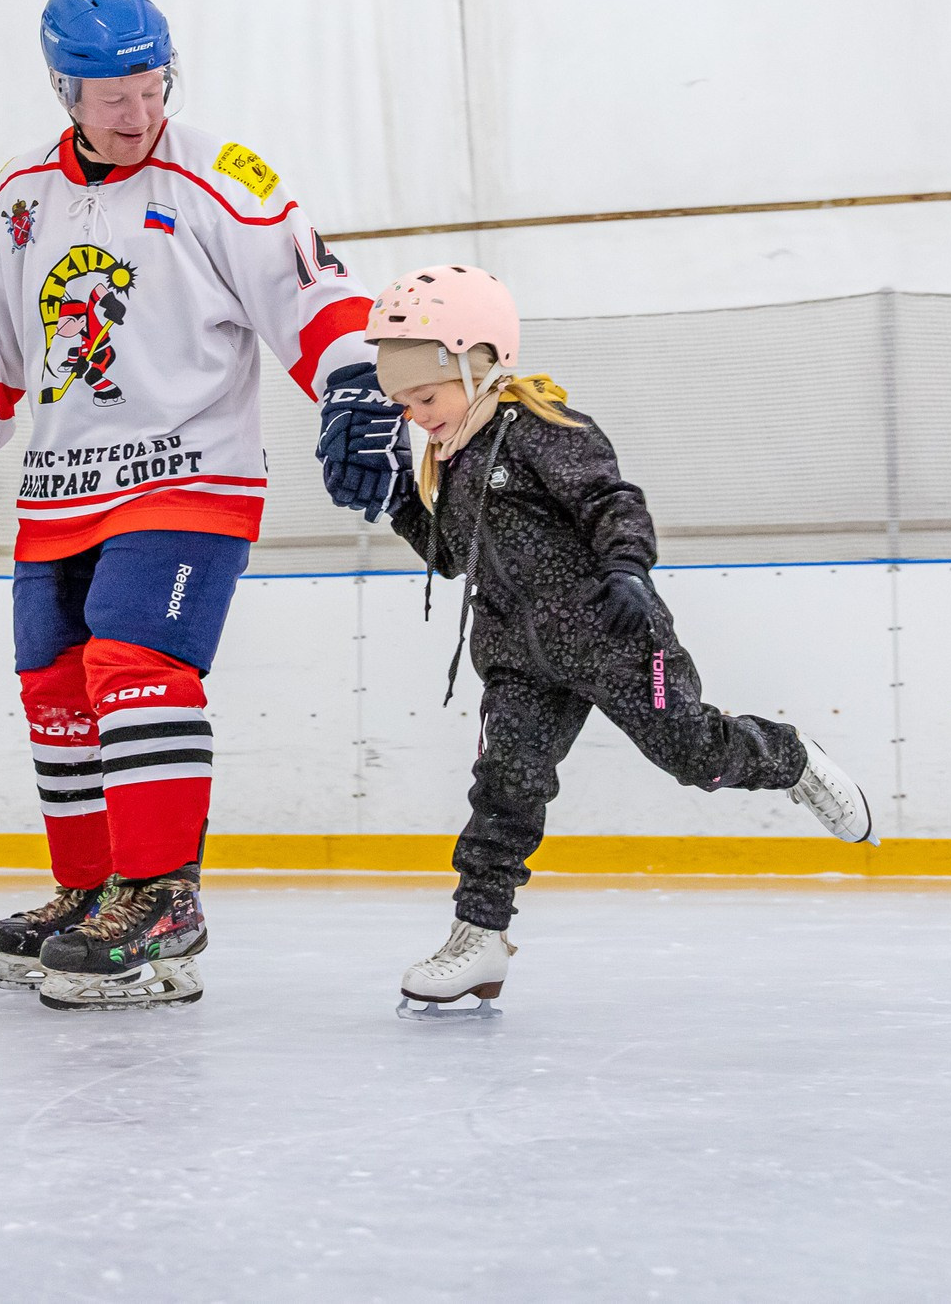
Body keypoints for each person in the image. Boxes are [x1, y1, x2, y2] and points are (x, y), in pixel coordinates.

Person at [0, 0, 398, 1010]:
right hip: (59, 485)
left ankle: (161, 895)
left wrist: (351, 385)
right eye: (113, 96)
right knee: (54, 687)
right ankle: (90, 893)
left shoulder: (216, 175)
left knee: (135, 662)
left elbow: (310, 288)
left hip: (189, 474)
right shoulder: (17, 199)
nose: (140, 113)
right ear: (63, 91)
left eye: (153, 86)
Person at [349, 264, 878, 1014]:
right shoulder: (455, 461)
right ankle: (480, 937)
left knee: (693, 752)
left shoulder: (544, 431)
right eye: (404, 404)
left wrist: (628, 567)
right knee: (504, 788)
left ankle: (789, 757)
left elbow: (610, 500)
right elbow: (449, 553)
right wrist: (399, 501)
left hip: (612, 633)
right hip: (518, 660)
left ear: (478, 364)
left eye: (425, 397)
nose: (416, 415)